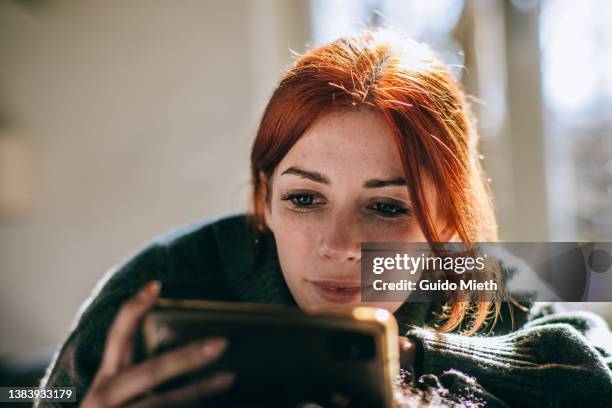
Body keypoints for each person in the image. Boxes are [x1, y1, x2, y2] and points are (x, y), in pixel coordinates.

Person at [38, 29, 612, 407]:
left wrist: (407, 359)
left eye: (387, 207)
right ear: (264, 196)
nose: (340, 246)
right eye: (305, 199)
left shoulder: (466, 274)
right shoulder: (168, 276)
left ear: (448, 221)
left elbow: (595, 374)